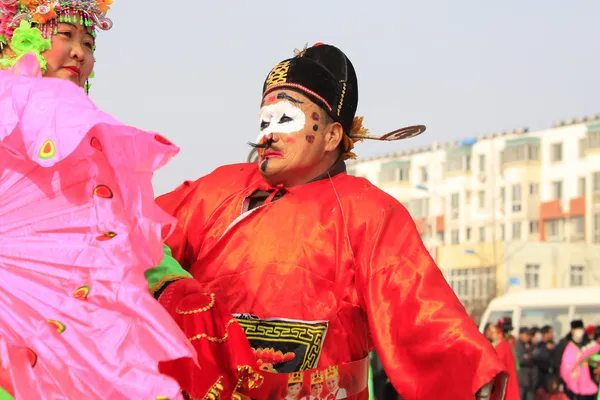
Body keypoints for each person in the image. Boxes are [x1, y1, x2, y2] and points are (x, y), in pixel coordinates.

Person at [146, 42, 507, 399]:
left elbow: (416, 306)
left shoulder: (367, 211)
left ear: (332, 135)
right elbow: (135, 234)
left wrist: (470, 374)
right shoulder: (217, 190)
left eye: (286, 119)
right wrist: (175, 290)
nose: (267, 134)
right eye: (264, 120)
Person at [0, 2, 260, 399]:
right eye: (65, 35)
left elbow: (122, 233)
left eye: (89, 43)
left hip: (72, 322)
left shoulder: (90, 145)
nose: (79, 52)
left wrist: (178, 288)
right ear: (24, 37)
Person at [560, 320, 597, 400]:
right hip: (570, 380)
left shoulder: (588, 343)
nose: (580, 332)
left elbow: (594, 360)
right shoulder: (564, 343)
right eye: (577, 329)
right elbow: (559, 362)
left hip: (587, 382)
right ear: (572, 330)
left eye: (581, 329)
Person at [492, 321, 521, 400]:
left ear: (500, 333)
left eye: (494, 333)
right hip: (509, 381)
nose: (492, 335)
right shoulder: (507, 344)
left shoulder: (501, 347)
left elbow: (498, 366)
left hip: (504, 383)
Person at [533, 325, 557, 390]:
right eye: (550, 332)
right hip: (539, 376)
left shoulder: (553, 345)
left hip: (549, 375)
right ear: (545, 334)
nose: (551, 335)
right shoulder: (538, 345)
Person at [518, 327, 537, 400]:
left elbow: (537, 354)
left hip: (531, 379)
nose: (529, 337)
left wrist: (528, 356)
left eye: (530, 335)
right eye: (527, 334)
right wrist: (530, 356)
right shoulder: (518, 344)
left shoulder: (531, 344)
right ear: (521, 335)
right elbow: (521, 359)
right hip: (521, 379)